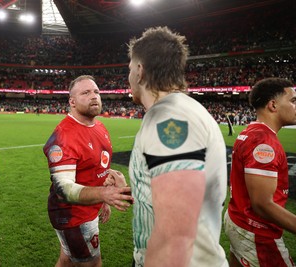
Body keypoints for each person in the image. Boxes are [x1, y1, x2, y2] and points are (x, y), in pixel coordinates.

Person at [126, 26, 228, 267]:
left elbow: (175, 236)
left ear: (140, 71)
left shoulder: (170, 119)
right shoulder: (176, 110)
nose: (128, 76)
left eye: (129, 69)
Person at [43, 75, 133, 267]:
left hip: (89, 207)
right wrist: (104, 194)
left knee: (67, 260)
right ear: (72, 102)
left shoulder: (99, 126)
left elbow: (96, 168)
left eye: (96, 92)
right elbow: (63, 189)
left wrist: (103, 197)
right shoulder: (63, 137)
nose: (94, 96)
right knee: (93, 264)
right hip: (72, 216)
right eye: (86, 92)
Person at [224, 77, 296, 267]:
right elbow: (262, 204)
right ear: (273, 105)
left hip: (238, 217)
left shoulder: (251, 131)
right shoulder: (264, 141)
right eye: (293, 101)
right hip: (256, 230)